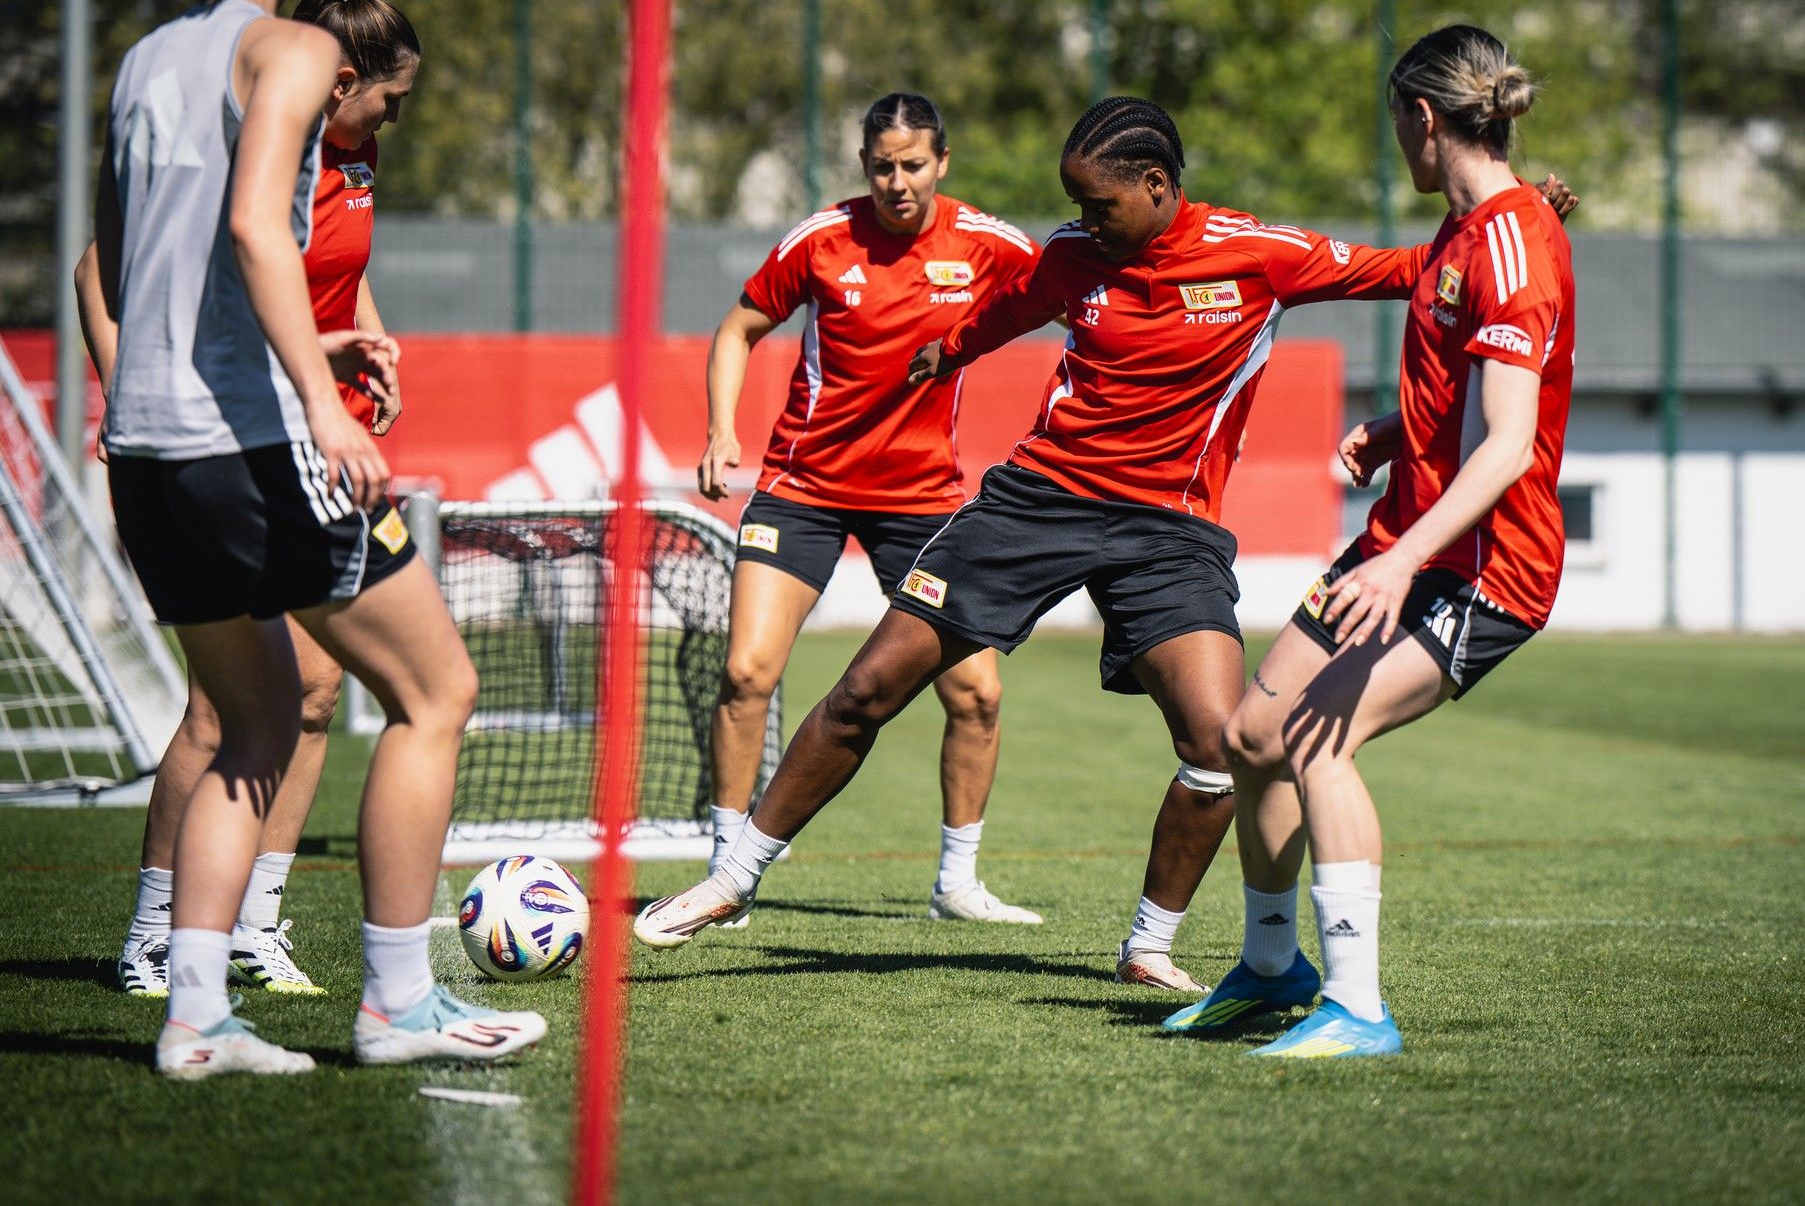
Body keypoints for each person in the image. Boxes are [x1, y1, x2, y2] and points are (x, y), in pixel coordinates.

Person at [636, 95, 1577, 989]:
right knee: (867, 689)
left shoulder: (1258, 254)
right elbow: (1006, 310)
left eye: (1100, 203)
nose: (1083, 221)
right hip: (1035, 503)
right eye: (1076, 204)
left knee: (1220, 744)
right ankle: (734, 878)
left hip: (1170, 530)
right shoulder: (1072, 256)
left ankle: (1149, 945)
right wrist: (946, 349)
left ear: (1158, 185)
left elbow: (1413, 268)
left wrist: (1522, 211)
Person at [95, 0, 540, 1077]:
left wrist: (306, 343)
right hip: (250, 443)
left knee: (252, 727)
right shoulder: (291, 48)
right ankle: (397, 1001)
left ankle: (195, 1016)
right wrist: (319, 401)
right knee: (435, 692)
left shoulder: (141, 63)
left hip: (149, 452)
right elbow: (253, 226)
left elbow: (121, 258)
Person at [1164, 25, 1578, 1058]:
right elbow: (1468, 389)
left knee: (1317, 740)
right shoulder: (1464, 231)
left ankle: (1358, 1009)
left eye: (1395, 121)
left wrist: (1397, 560)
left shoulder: (1512, 246)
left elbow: (1509, 445)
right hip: (1408, 542)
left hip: (1484, 570)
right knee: (1251, 737)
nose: (1395, 140)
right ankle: (1272, 969)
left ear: (1422, 116)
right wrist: (1398, 433)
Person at [93, 0, 420, 1000]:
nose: (397, 118)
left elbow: (334, 271)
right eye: (390, 98)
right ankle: (155, 933)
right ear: (341, 81)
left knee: (311, 695)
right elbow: (102, 267)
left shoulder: (355, 151)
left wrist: (368, 341)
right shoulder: (266, 137)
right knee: (231, 705)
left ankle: (251, 927)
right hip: (238, 437)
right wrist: (128, 393)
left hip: (319, 428)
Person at [697, 92, 1042, 928]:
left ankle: (957, 883)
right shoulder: (820, 241)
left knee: (978, 693)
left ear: (942, 163)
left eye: (913, 164)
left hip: (922, 500)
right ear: (864, 166)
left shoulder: (989, 243)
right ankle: (725, 876)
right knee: (745, 674)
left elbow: (1085, 306)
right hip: (803, 489)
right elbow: (737, 329)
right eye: (883, 166)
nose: (898, 182)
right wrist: (720, 428)